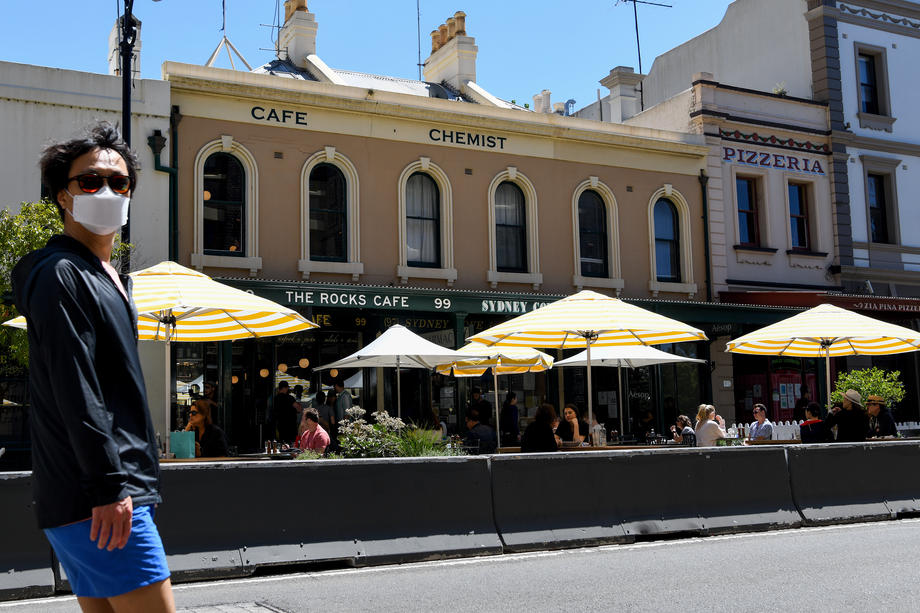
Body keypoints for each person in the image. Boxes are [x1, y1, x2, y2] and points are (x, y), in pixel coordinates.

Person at [11, 123, 174, 610]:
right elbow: (76, 386)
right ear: (63, 196)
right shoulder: (62, 273)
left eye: (119, 182)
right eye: (90, 181)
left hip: (89, 496)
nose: (106, 190)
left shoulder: (107, 276)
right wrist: (110, 488)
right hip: (100, 496)